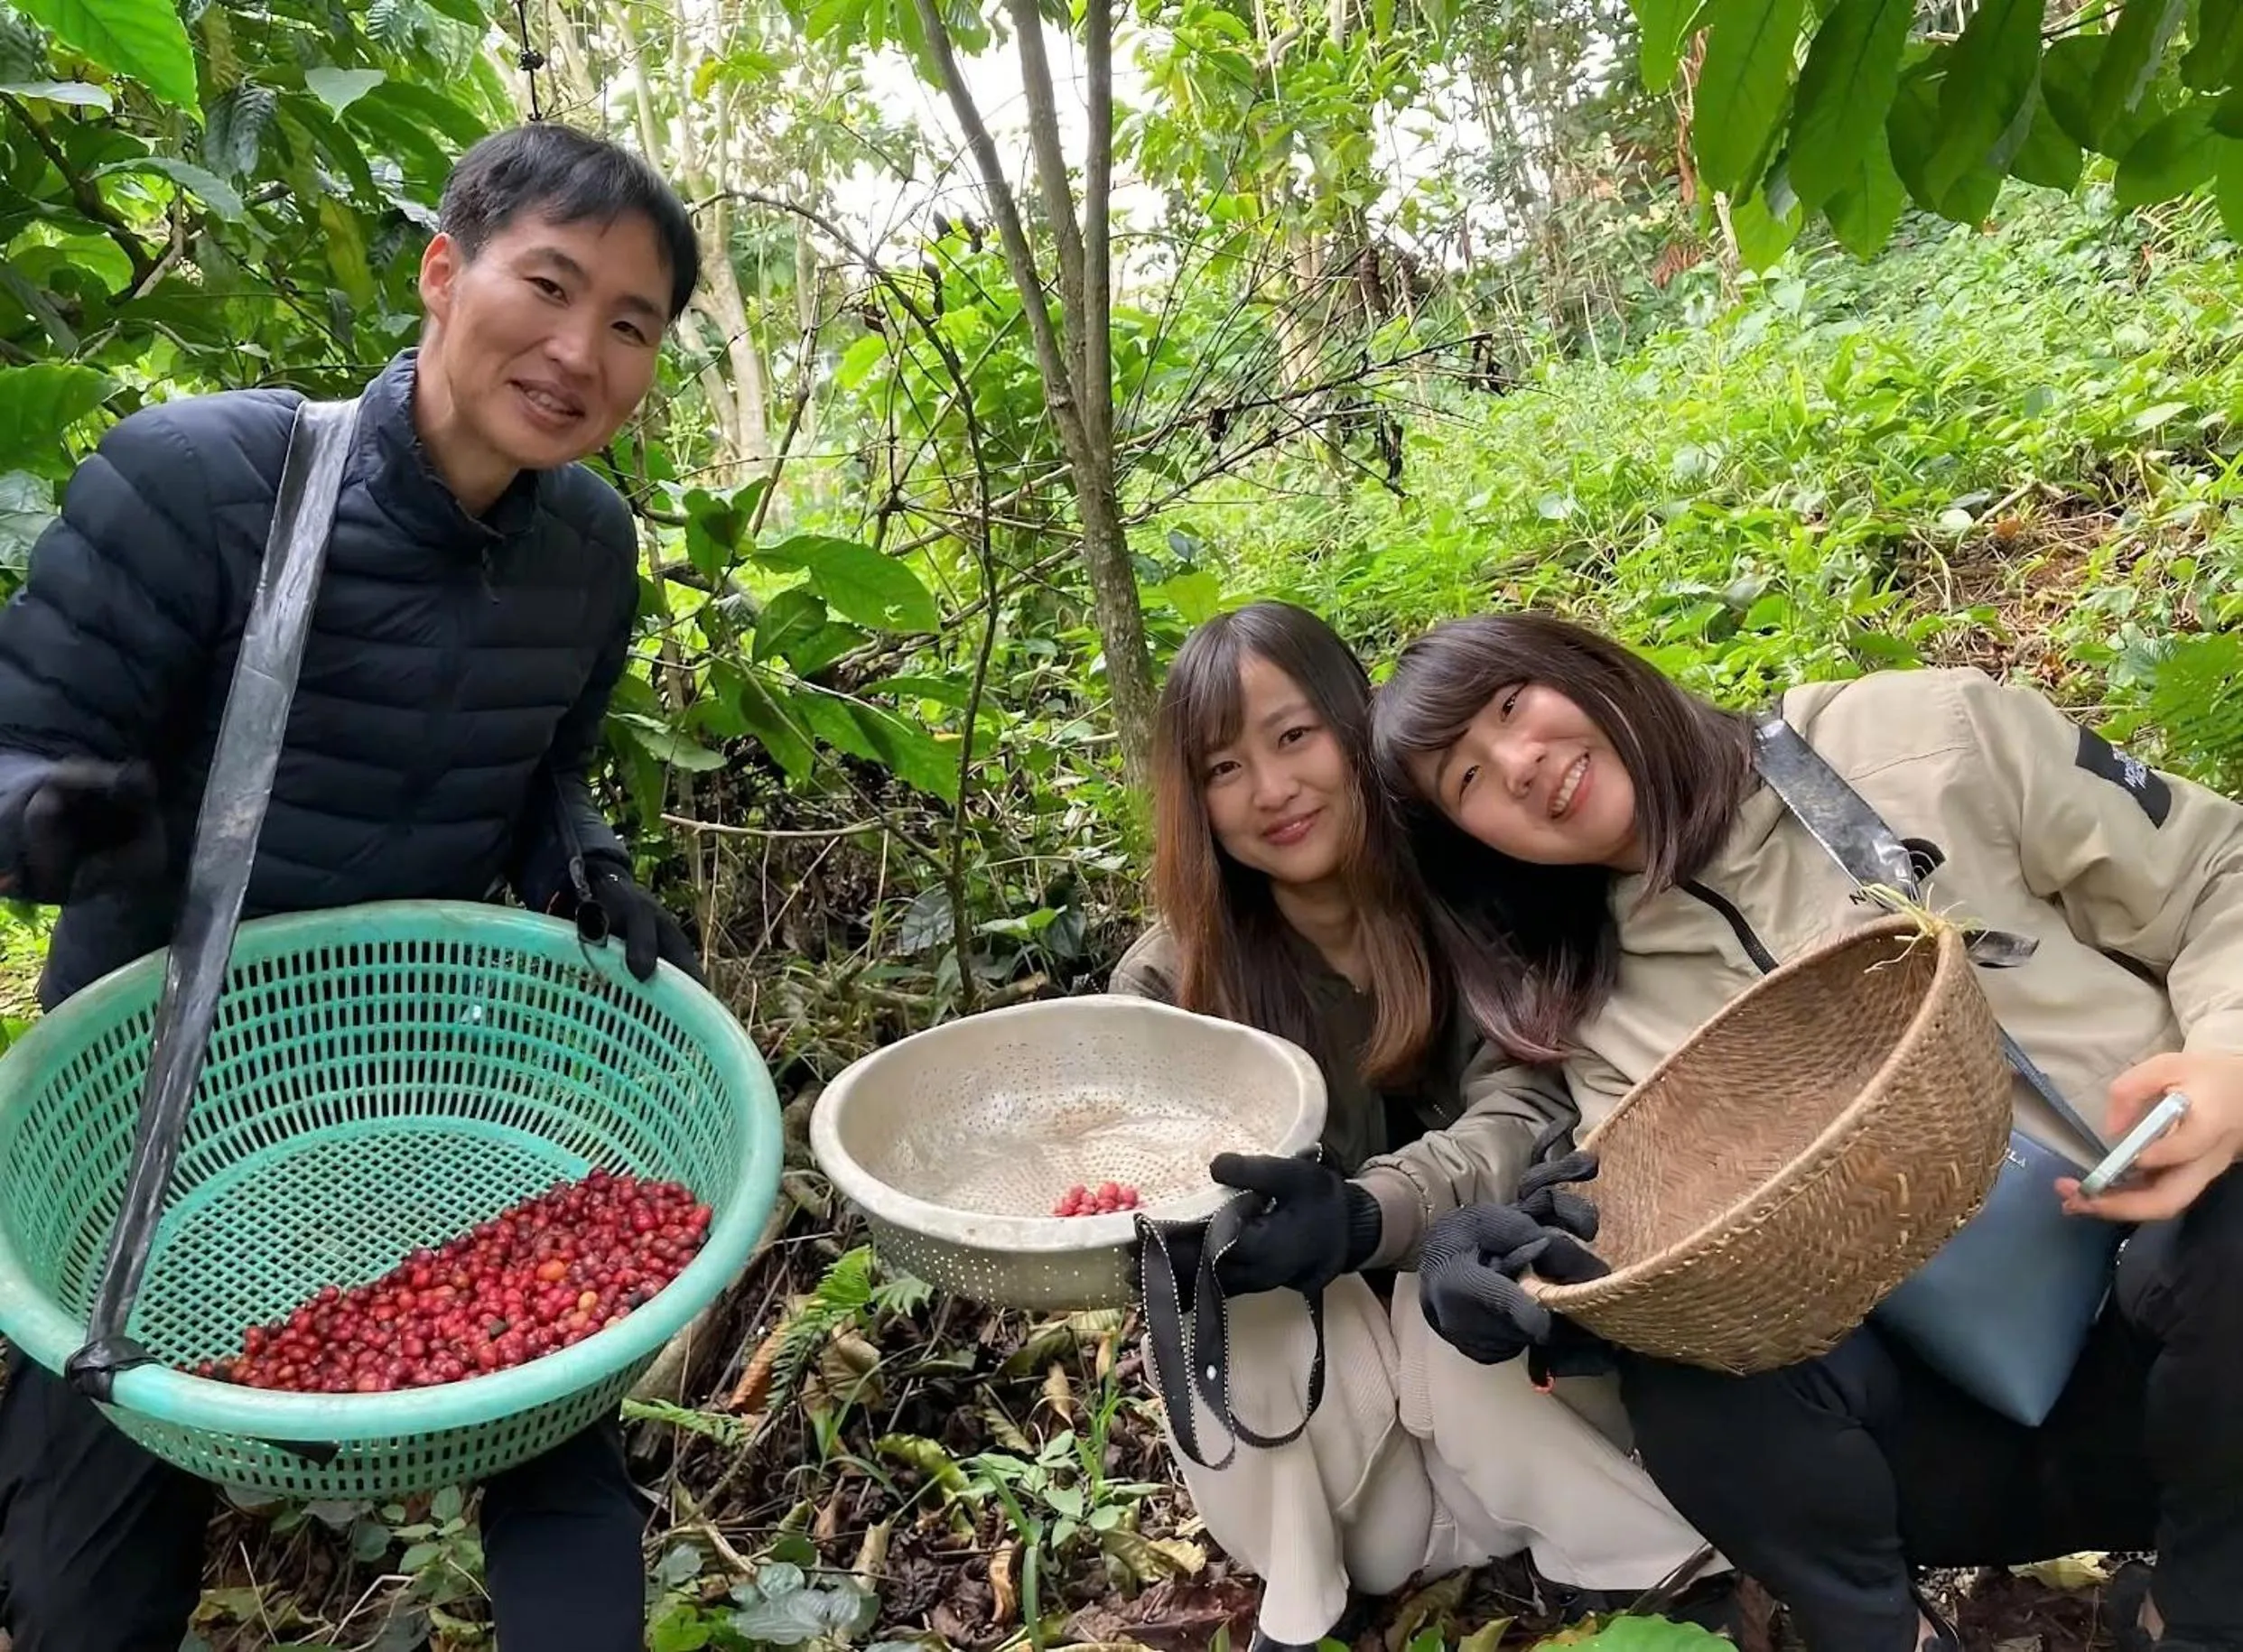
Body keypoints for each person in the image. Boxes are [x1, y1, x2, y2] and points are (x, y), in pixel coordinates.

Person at [0, 123, 705, 1652]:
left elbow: (541, 772)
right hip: (156, 1111)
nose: (580, 351)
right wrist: (52, 815)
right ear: (444, 275)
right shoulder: (198, 484)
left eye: (632, 324)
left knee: (557, 1451)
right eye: (550, 285)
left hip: (402, 1080)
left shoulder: (589, 549)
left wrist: (583, 864)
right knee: (85, 1575)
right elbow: (18, 747)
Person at [1369, 609, 2243, 1652]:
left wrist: (2228, 1059)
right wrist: (1536, 1285)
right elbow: (1666, 1257)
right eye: (1464, 780)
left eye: (1513, 705)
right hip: (1941, 1416)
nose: (1518, 764)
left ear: (1589, 664)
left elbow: (2214, 870)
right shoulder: (1592, 1007)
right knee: (1688, 1377)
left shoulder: (1918, 735)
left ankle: (2196, 1614)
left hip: (2184, 1318)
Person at [1108, 600, 1717, 1651]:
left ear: (1356, 727)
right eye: (1224, 768)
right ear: (1195, 802)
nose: (1273, 791)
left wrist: (1362, 1217)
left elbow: (1529, 1104)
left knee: (1462, 1261)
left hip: (1504, 1408)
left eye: (1295, 737)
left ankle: (1657, 1571)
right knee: (1246, 1282)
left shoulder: (1470, 896)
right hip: (1344, 1480)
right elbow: (1133, 1189)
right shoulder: (1171, 982)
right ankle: (1302, 1613)